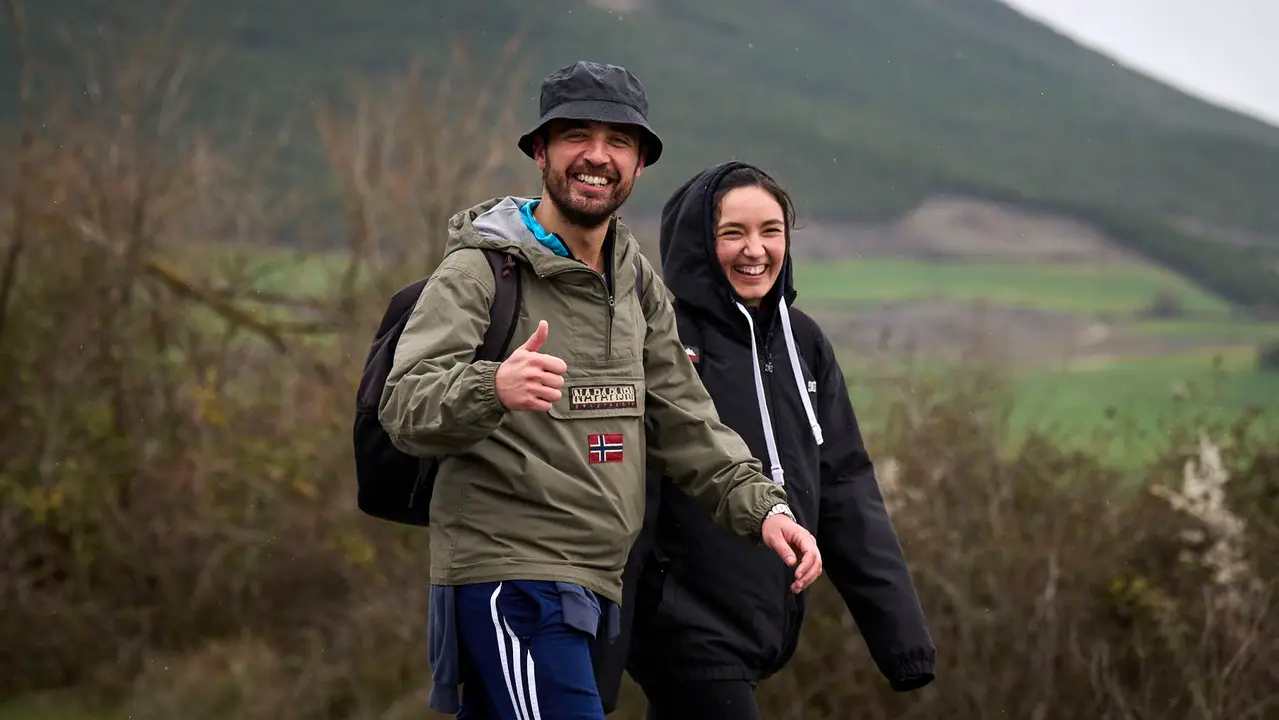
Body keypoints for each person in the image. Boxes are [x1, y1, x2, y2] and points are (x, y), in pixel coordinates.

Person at [377, 63, 823, 720]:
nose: (596, 156)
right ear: (539, 152)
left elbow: (685, 418)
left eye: (617, 140)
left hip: (595, 588)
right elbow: (404, 406)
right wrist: (491, 385)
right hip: (511, 581)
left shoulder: (633, 280)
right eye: (575, 136)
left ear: (640, 161)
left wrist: (764, 509)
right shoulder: (479, 272)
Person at [612, 161, 936, 719]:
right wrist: (605, 643)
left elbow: (846, 486)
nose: (754, 250)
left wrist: (902, 642)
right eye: (732, 233)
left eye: (770, 230)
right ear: (697, 243)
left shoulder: (803, 343)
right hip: (684, 626)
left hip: (763, 628)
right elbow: (627, 490)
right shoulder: (663, 337)